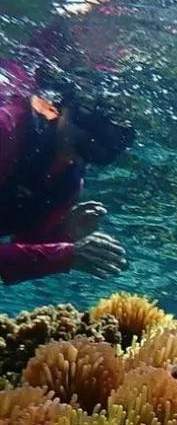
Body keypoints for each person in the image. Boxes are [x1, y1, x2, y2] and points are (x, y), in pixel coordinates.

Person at [0, 53, 134, 285]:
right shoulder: (8, 131)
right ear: (66, 108)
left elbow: (23, 247)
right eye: (94, 120)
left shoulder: (69, 182)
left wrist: (64, 233)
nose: (100, 138)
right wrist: (63, 255)